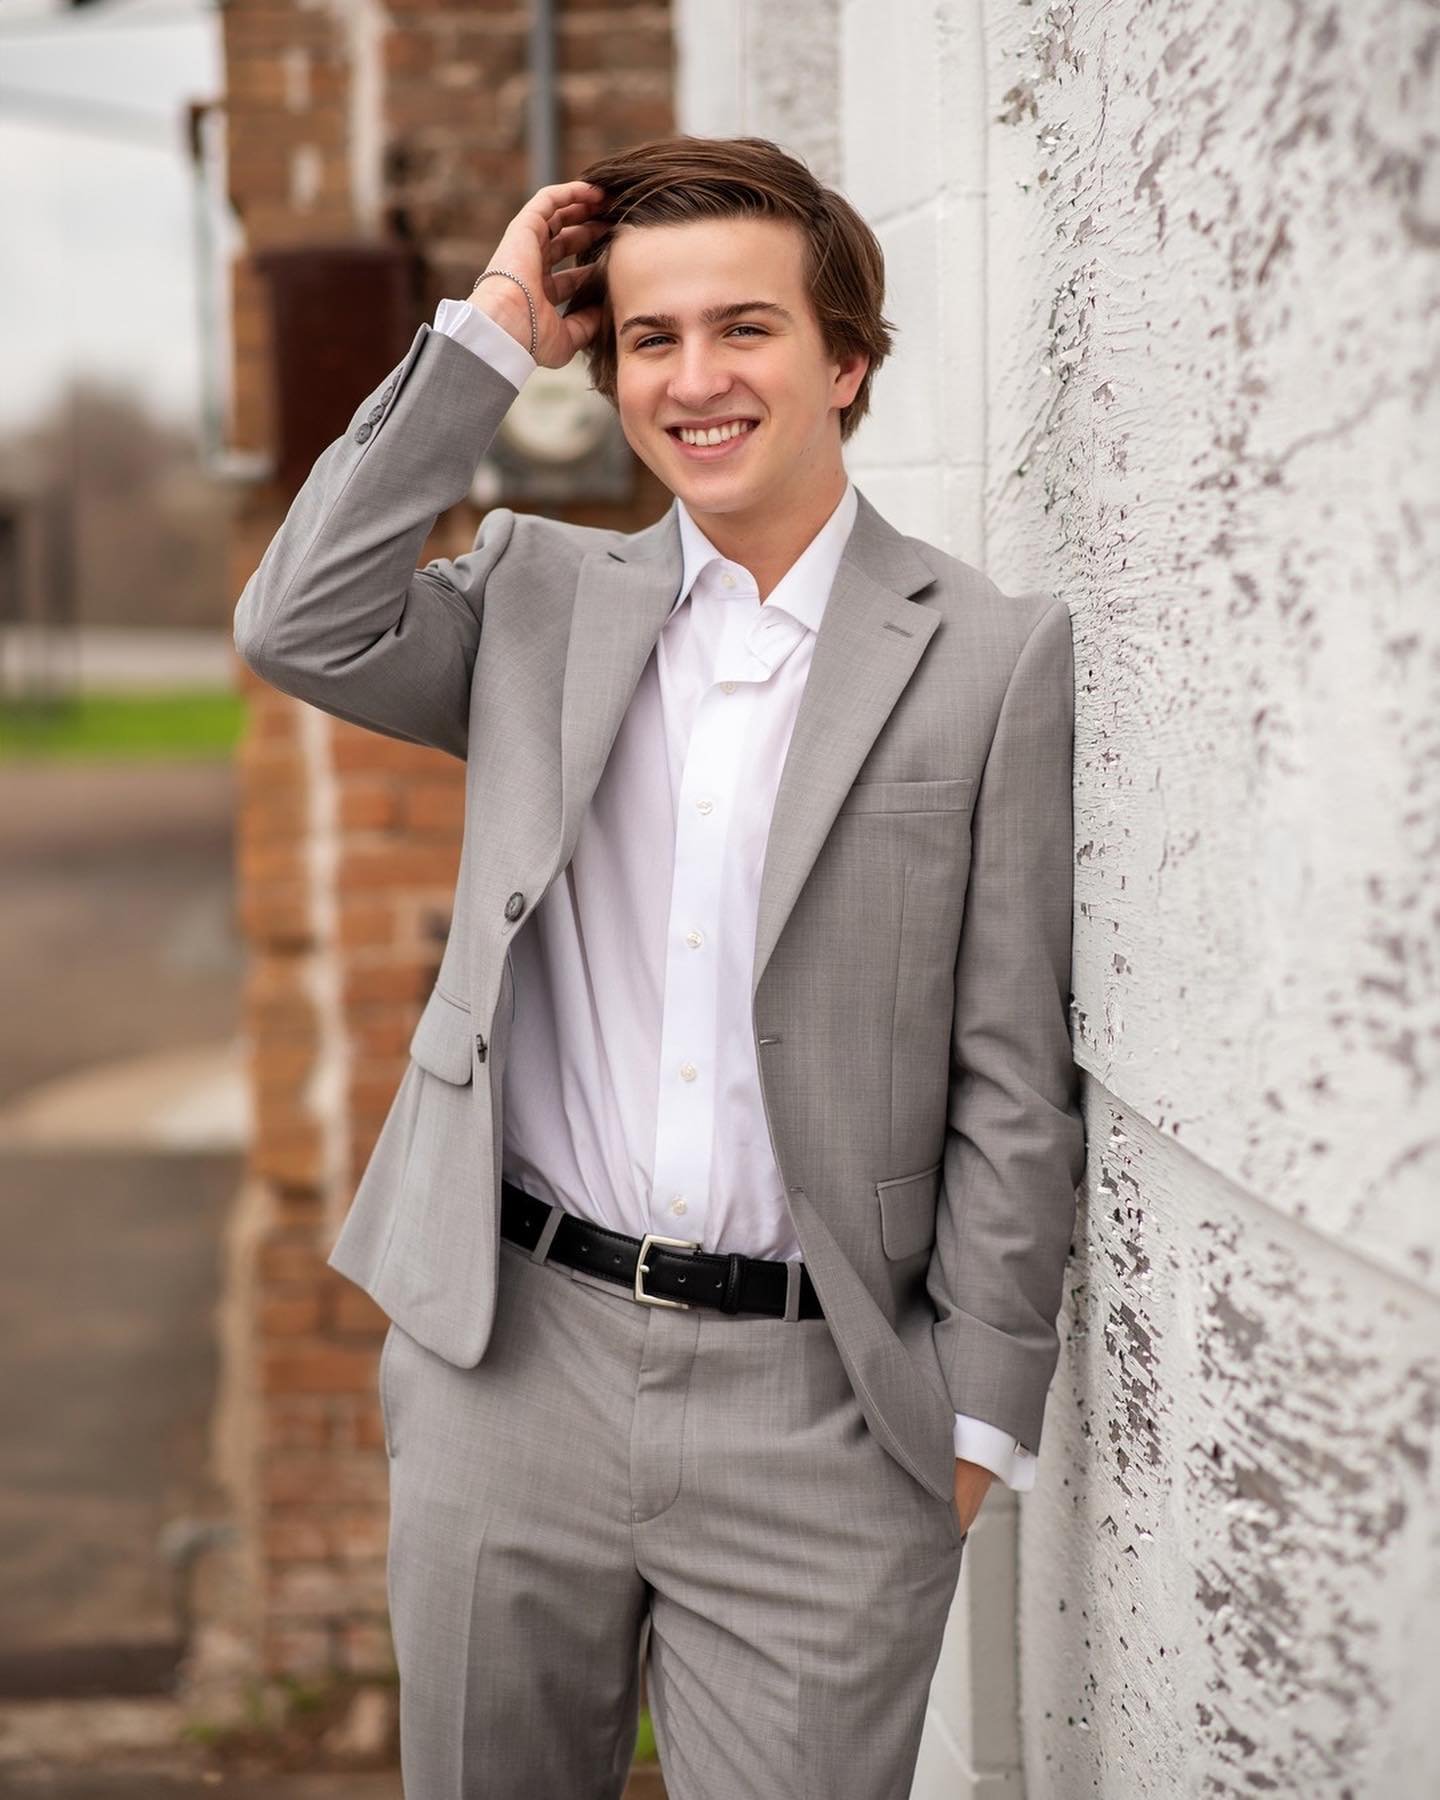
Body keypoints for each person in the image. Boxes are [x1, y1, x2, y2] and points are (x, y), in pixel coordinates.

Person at [234, 133, 1086, 1800]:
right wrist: (489, 329)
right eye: (650, 337)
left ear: (845, 359)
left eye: (745, 329)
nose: (697, 379)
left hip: (825, 1414)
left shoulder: (987, 654)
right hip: (513, 1365)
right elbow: (298, 621)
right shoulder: (538, 603)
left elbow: (1012, 1069)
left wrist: (975, 1424)